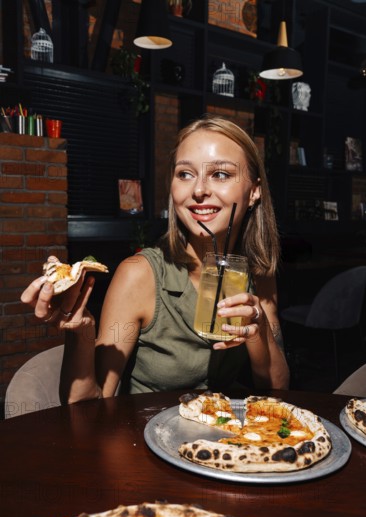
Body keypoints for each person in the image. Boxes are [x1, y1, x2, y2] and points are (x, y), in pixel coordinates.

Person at [21, 115, 289, 403]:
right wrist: (81, 330)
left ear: (255, 191)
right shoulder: (140, 275)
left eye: (220, 174)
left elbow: (278, 389)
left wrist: (258, 330)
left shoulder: (257, 274)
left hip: (218, 439)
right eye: (185, 174)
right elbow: (87, 408)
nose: (199, 190)